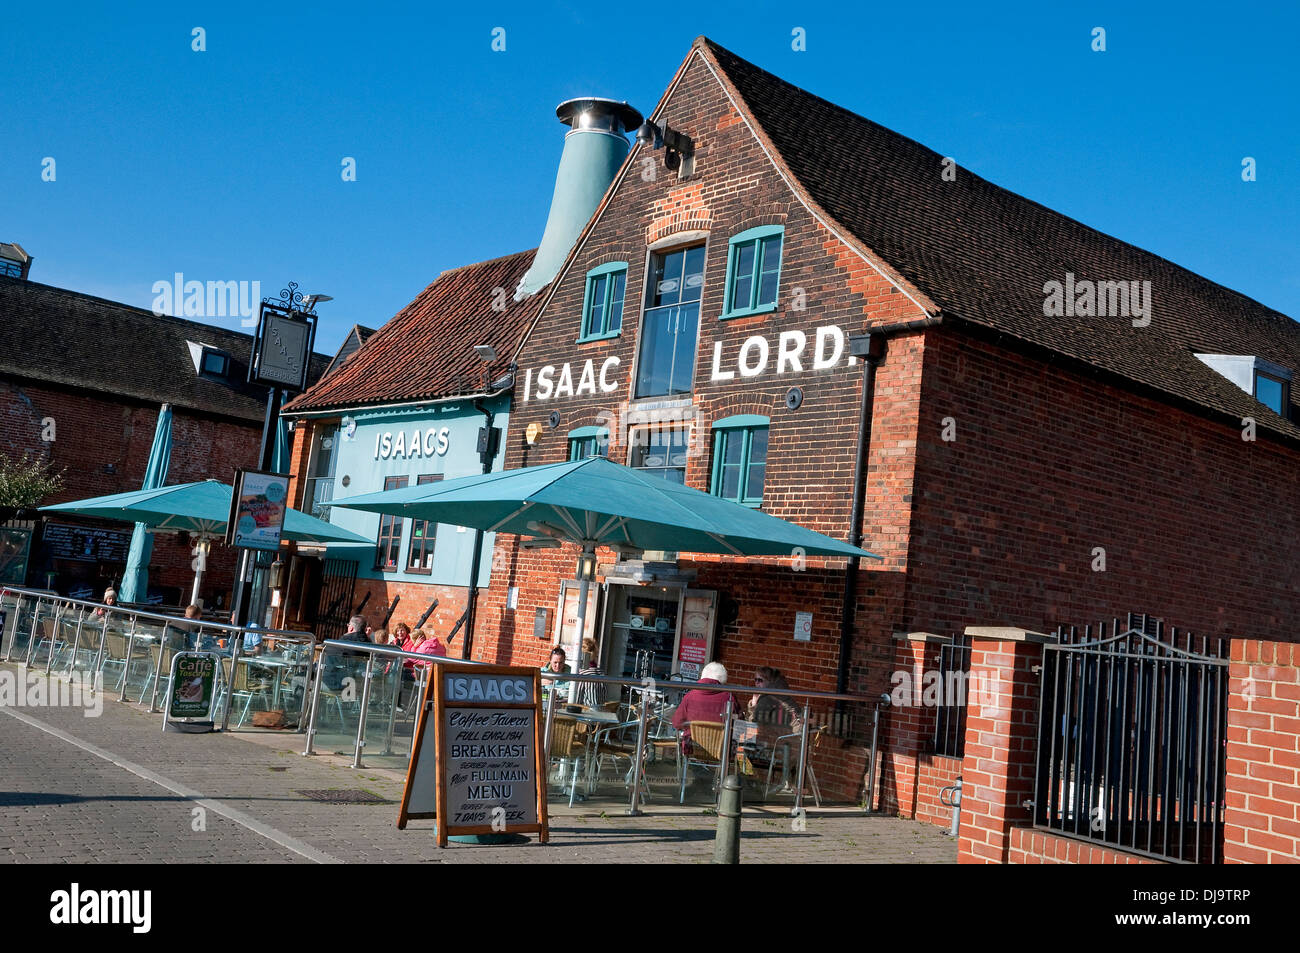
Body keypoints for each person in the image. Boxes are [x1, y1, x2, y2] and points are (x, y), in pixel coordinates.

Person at [671, 661, 738, 751]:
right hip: (721, 750)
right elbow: (738, 724)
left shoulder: (690, 696)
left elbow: (677, 723)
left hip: (692, 747)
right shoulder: (729, 698)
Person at [322, 615, 371, 693]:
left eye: (348, 625)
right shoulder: (369, 644)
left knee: (299, 680)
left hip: (338, 685)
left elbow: (327, 653)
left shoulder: (345, 642)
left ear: (351, 628)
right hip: (358, 686)